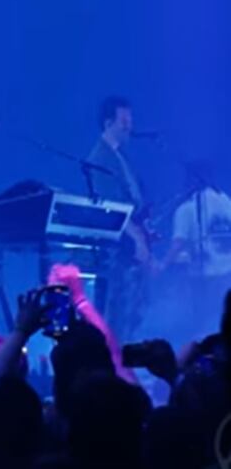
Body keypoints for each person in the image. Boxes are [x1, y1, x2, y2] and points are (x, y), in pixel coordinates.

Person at [86, 95, 151, 341]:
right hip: (117, 249)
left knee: (132, 310)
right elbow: (113, 208)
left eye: (130, 119)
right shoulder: (100, 159)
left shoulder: (120, 155)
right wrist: (138, 240)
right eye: (124, 120)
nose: (129, 125)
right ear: (107, 123)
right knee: (118, 312)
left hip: (128, 245)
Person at [162, 161, 231, 336]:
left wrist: (162, 266)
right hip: (227, 274)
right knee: (223, 322)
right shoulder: (226, 201)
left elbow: (178, 243)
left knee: (202, 325)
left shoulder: (187, 208)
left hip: (204, 278)